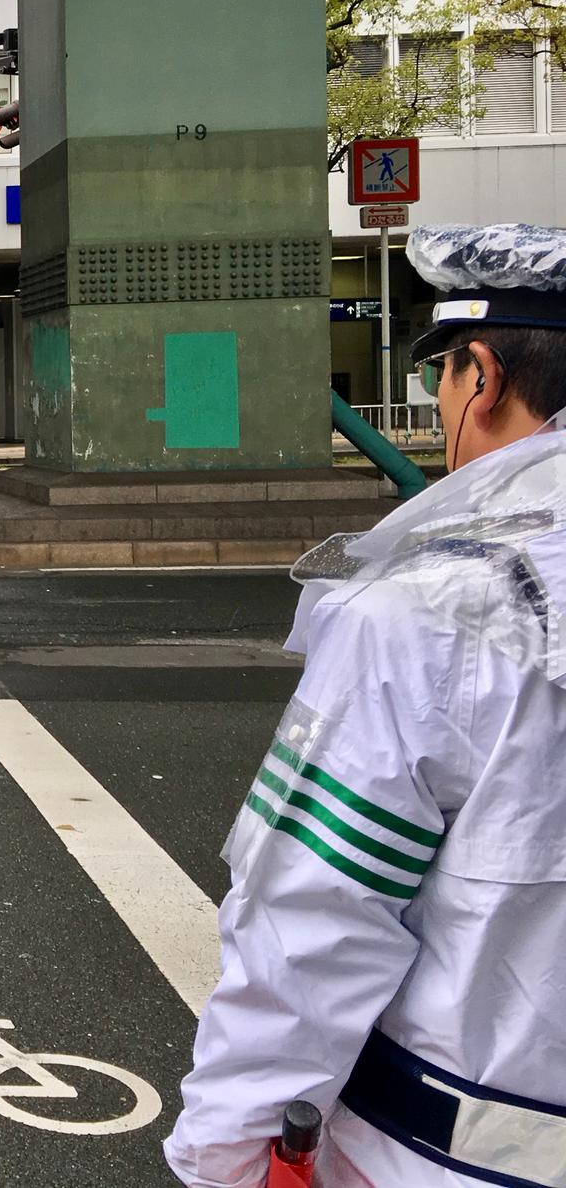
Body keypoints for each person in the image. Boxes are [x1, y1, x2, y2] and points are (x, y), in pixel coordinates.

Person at [166, 222, 566, 1188]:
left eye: (443, 380)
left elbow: (317, 910)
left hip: (456, 1147)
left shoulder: (438, 607)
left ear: (482, 375)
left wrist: (224, 1152)